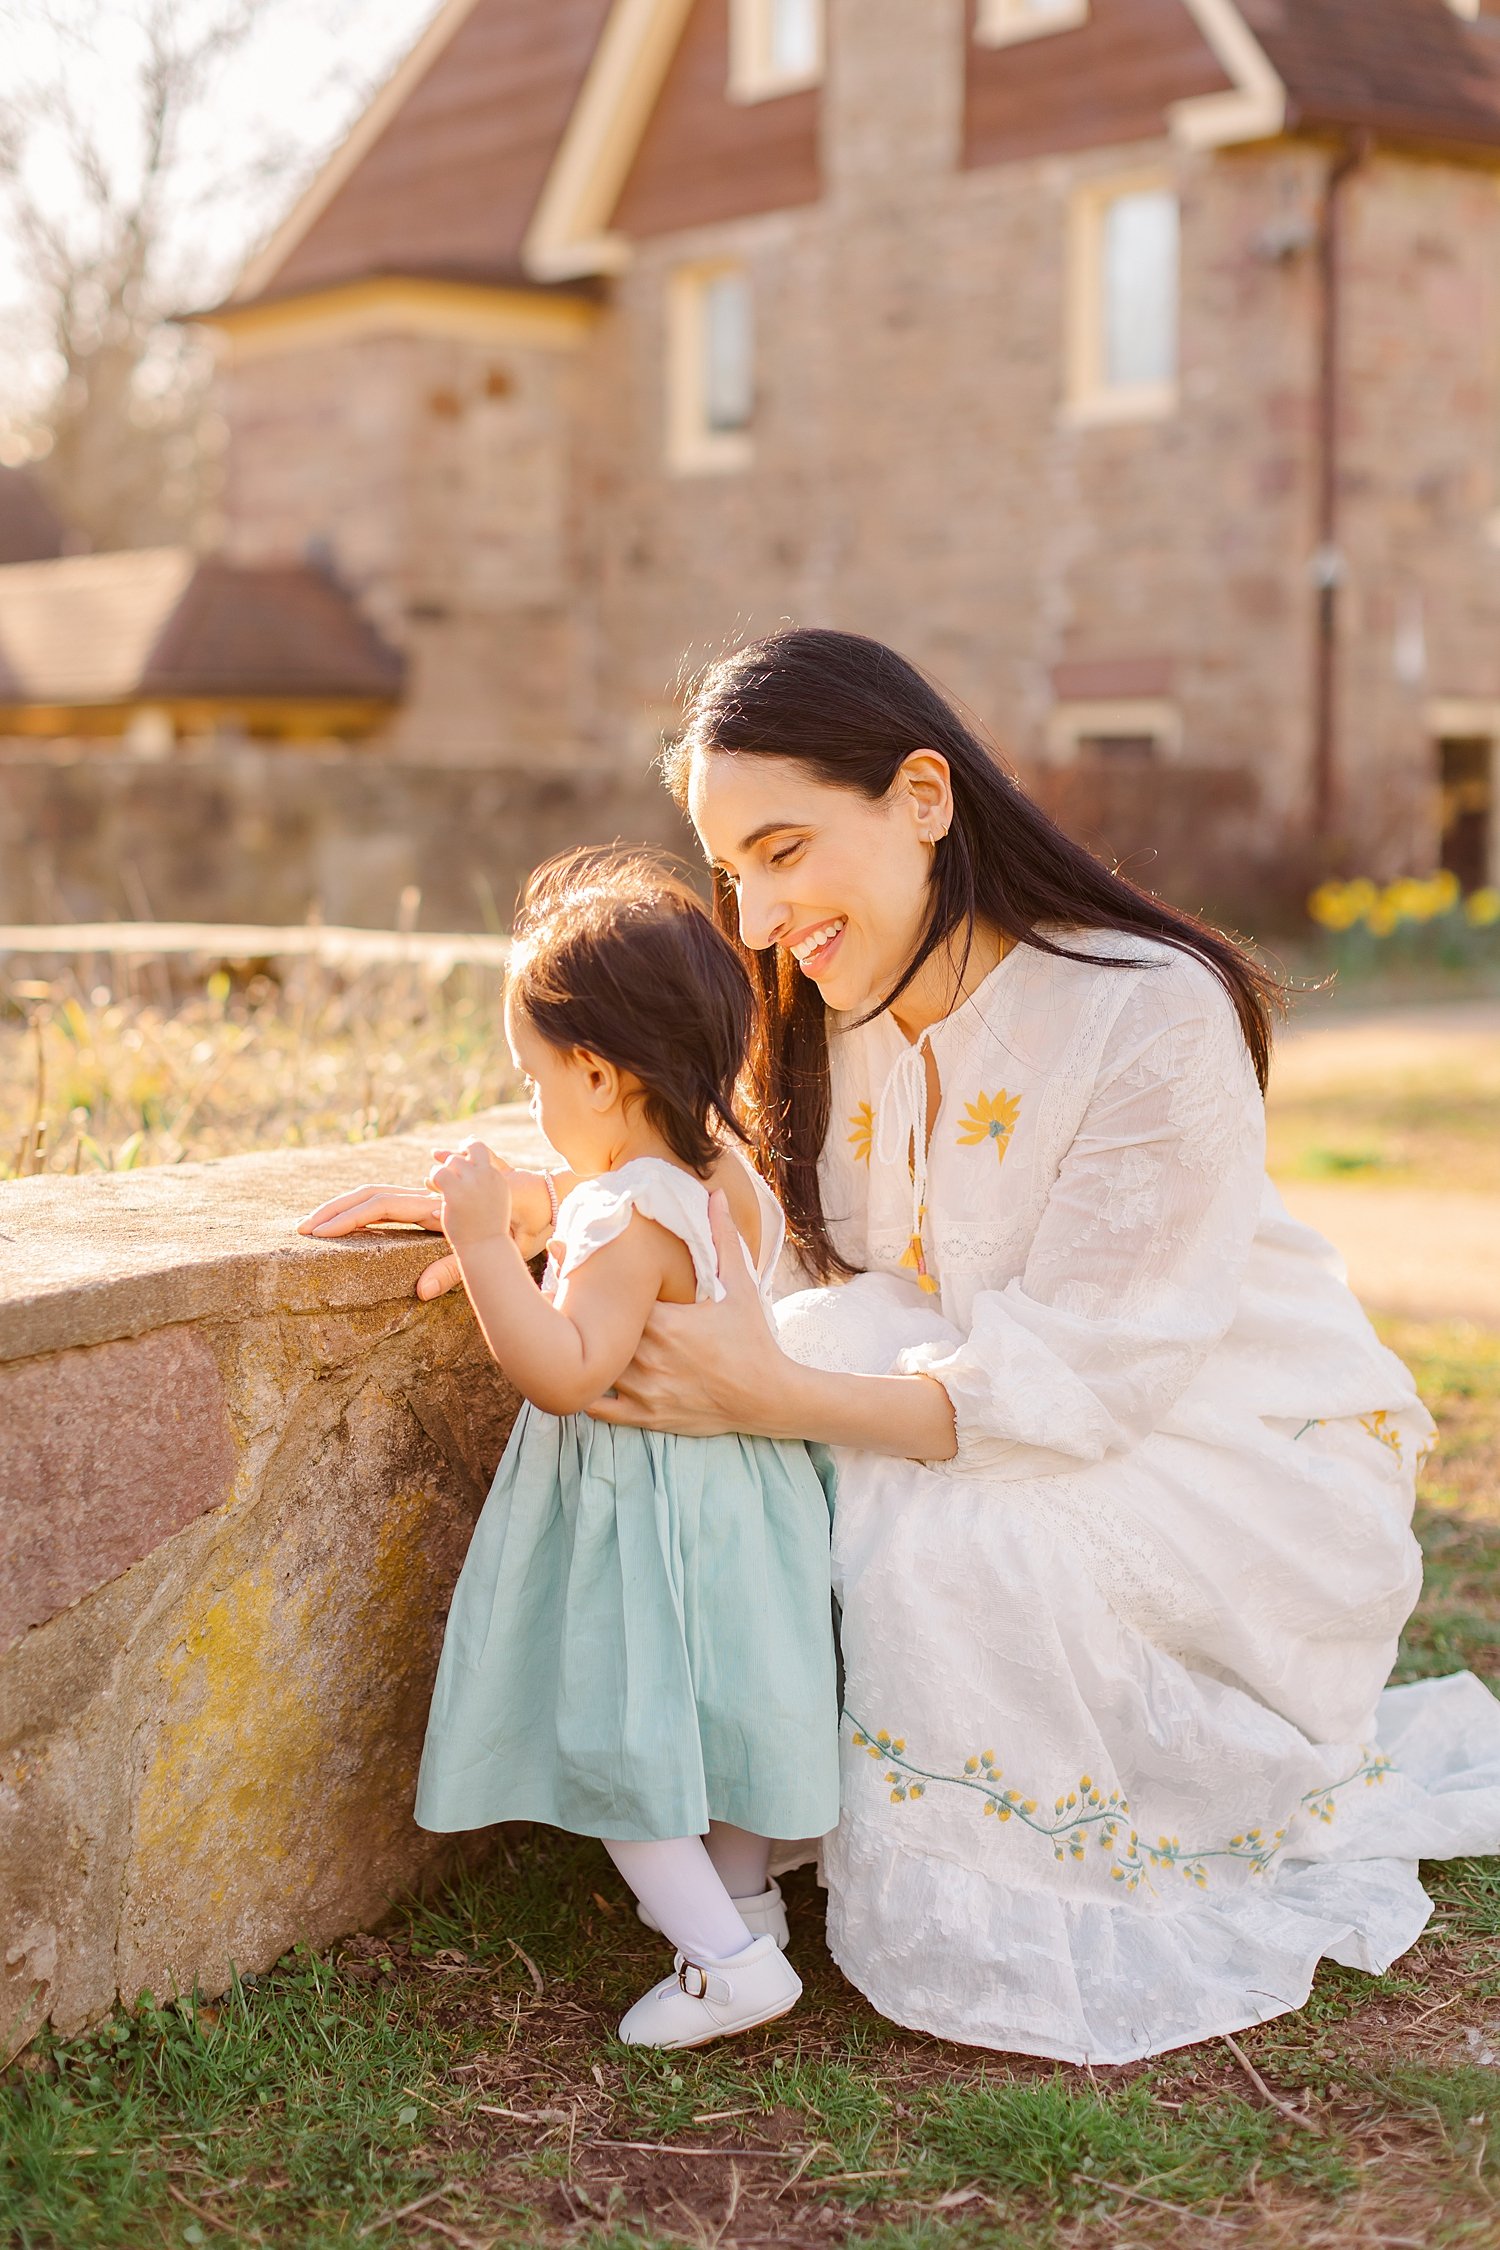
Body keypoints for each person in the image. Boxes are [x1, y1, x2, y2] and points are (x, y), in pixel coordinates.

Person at [315, 628, 1500, 2067]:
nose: (752, 916)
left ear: (925, 796)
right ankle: (727, 1808)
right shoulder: (829, 1003)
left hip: (1192, 1436)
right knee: (805, 1413)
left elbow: (1094, 1373)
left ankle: (882, 1849)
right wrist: (544, 1200)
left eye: (784, 848)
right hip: (962, 1368)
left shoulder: (1147, 1010)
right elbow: (736, 1186)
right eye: (731, 870)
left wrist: (780, 1390)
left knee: (907, 1523)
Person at [300, 849, 840, 2050]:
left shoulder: (613, 1215)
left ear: (596, 1070)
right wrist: (552, 1197)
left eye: (534, 1079)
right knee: (733, 1706)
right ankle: (744, 1898)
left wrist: (486, 1240)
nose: (533, 1105)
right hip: (745, 1500)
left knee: (624, 1731)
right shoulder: (725, 1173)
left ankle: (728, 1961)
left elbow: (564, 1368)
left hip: (640, 1510)